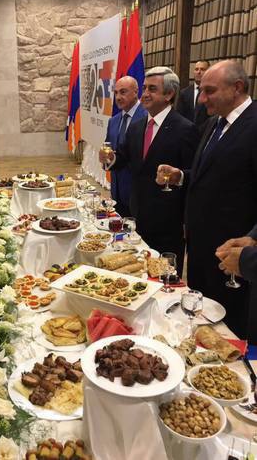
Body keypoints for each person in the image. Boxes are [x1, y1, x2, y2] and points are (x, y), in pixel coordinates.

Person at [156, 60, 257, 340]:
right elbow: (210, 175)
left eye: (209, 91)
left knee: (228, 329)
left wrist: (251, 240)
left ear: (237, 87)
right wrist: (181, 176)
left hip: (232, 254)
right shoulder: (214, 123)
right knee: (203, 319)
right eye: (201, 90)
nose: (201, 99)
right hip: (200, 247)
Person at [100, 67, 199, 275]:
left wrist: (178, 176)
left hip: (168, 221)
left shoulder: (185, 129)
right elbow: (123, 158)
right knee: (140, 271)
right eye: (144, 88)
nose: (145, 94)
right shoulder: (137, 127)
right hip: (138, 214)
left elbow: (194, 174)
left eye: (152, 89)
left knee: (164, 276)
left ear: (169, 94)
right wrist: (110, 159)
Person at [104, 76, 146, 215]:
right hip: (117, 192)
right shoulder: (113, 121)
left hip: (138, 194)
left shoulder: (147, 118)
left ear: (136, 92)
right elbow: (109, 150)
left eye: (123, 92)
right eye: (116, 93)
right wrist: (105, 159)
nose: (118, 97)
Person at [176, 60, 210, 129]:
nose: (199, 72)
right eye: (196, 69)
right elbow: (179, 116)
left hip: (206, 131)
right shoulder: (184, 93)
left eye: (202, 69)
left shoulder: (212, 92)